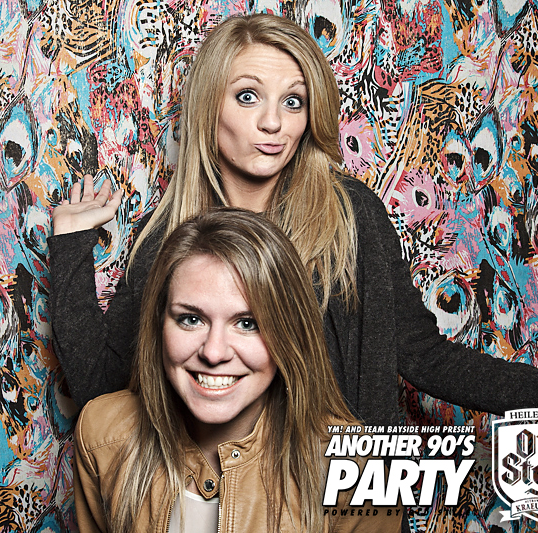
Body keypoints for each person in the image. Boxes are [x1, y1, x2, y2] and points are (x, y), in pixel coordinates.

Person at [48, 13, 538, 427]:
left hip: (338, 500)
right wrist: (71, 244)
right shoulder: (170, 237)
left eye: (293, 101)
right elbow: (102, 388)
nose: (273, 122)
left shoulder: (349, 215)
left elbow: (426, 357)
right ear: (208, 106)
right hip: (217, 501)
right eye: (247, 96)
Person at [74, 208, 402, 532]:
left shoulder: (354, 467)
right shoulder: (102, 434)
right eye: (191, 319)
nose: (214, 352)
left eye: (247, 323)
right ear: (159, 324)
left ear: (289, 334)